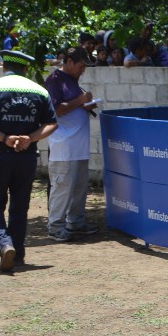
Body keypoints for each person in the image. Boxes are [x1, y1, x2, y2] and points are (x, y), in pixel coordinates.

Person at [0, 50, 57, 272]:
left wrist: (4, 138)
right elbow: (52, 123)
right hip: (27, 157)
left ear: (3, 66)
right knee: (20, 207)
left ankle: (5, 243)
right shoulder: (39, 90)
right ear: (25, 68)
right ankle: (18, 255)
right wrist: (30, 138)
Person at [44, 47, 100, 243]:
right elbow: (58, 109)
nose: (82, 70)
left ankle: (76, 221)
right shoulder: (55, 80)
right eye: (80, 66)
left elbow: (72, 105)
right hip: (64, 146)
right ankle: (55, 226)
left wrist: (85, 104)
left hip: (77, 146)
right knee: (62, 187)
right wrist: (81, 100)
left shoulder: (71, 80)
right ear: (68, 61)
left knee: (78, 187)